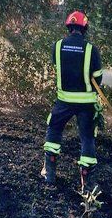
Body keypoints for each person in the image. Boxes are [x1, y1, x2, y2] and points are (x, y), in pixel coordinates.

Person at [41, 10, 104, 191]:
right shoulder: (91, 49)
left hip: (64, 101)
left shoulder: (58, 46)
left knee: (54, 129)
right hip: (86, 104)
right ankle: (87, 184)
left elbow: (58, 67)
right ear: (85, 28)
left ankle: (50, 174)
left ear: (69, 27)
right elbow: (98, 79)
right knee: (87, 138)